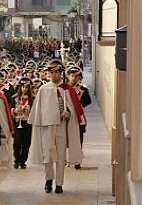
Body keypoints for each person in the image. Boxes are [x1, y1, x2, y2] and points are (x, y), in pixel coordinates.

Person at [28, 59, 83, 194]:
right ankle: (48, 180)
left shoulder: (67, 90)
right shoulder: (43, 89)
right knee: (48, 155)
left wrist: (68, 113)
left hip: (62, 127)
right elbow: (38, 112)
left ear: (61, 73)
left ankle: (59, 183)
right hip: (48, 127)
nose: (54, 75)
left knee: (60, 155)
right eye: (51, 72)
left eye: (57, 72)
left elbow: (74, 110)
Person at [66, 66, 91, 169]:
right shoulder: (64, 88)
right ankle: (65, 158)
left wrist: (79, 105)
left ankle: (77, 161)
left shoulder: (83, 89)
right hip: (66, 117)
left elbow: (87, 101)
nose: (73, 78)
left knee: (78, 139)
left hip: (78, 118)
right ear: (68, 76)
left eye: (76, 77)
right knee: (65, 139)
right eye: (72, 76)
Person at [11, 77, 34, 169]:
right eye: (23, 87)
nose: (25, 89)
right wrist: (15, 110)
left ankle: (23, 161)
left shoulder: (32, 99)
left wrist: (29, 110)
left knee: (26, 142)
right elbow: (10, 108)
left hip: (27, 122)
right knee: (16, 142)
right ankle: (16, 160)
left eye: (27, 87)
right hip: (17, 121)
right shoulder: (15, 97)